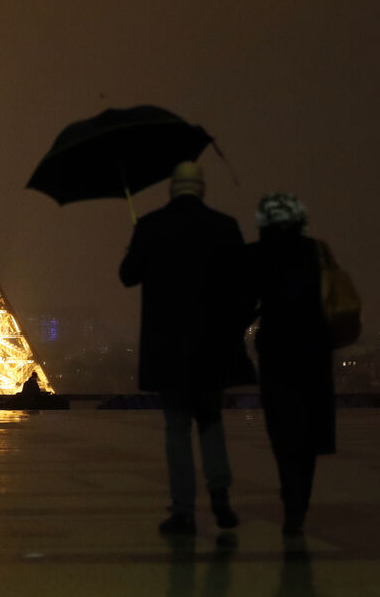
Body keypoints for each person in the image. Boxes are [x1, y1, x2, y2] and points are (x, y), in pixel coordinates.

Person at [120, 161, 255, 535]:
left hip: (169, 349)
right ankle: (220, 495)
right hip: (213, 347)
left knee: (176, 429)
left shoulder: (151, 226)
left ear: (172, 190)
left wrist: (137, 246)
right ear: (202, 189)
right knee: (211, 423)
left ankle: (182, 509)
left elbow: (127, 275)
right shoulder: (225, 227)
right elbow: (245, 285)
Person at [248, 193, 336, 536]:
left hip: (277, 352)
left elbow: (245, 298)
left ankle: (291, 495)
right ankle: (301, 498)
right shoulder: (316, 250)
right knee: (308, 431)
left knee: (282, 428)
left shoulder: (257, 253)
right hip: (314, 350)